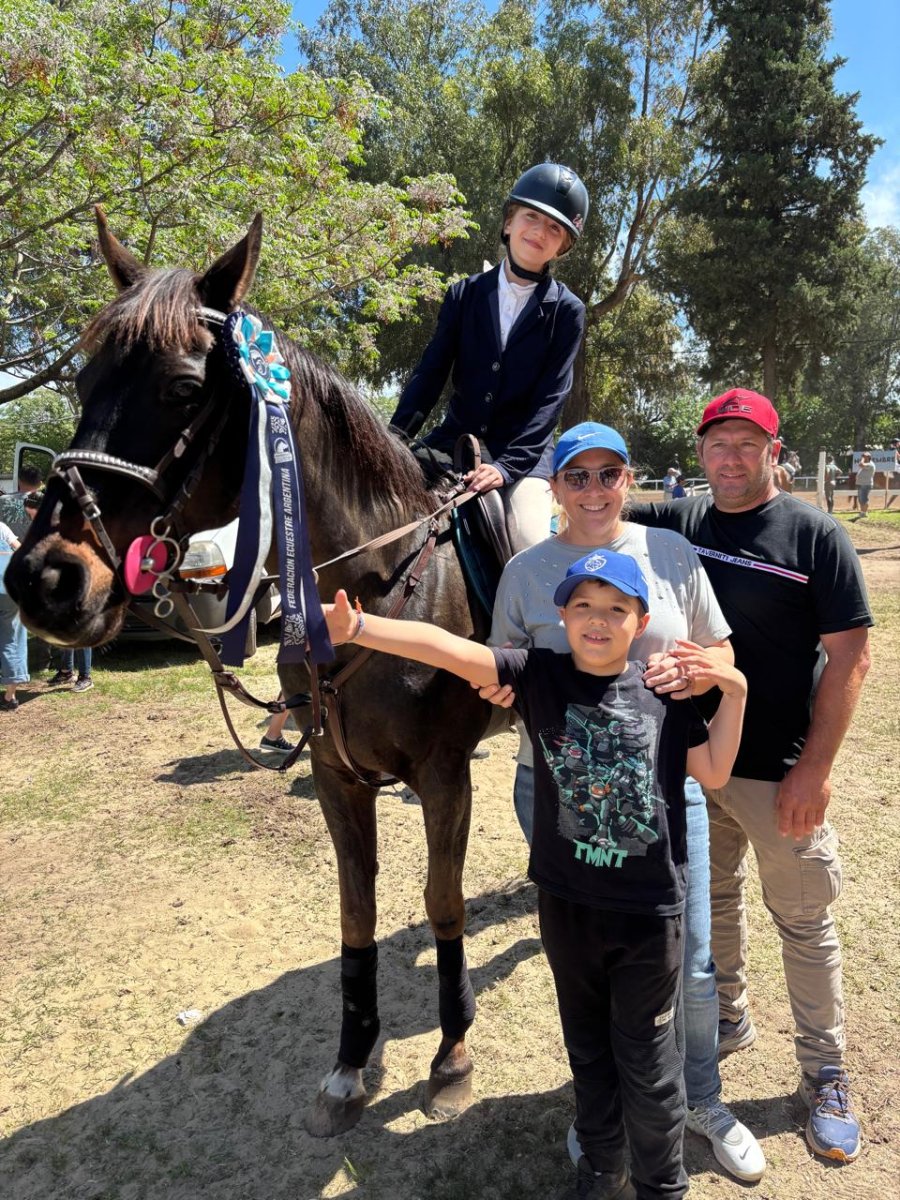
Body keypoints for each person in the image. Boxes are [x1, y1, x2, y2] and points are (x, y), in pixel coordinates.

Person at [321, 551, 748, 1200]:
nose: (597, 621)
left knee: (650, 1066)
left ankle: (663, 1186)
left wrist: (735, 689)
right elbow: (447, 648)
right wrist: (363, 632)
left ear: (641, 620)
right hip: (569, 915)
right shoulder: (537, 674)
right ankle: (599, 1171)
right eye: (582, 606)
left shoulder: (662, 693)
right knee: (588, 1056)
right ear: (561, 616)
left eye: (614, 608)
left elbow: (713, 771)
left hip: (647, 921)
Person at [486, 422, 765, 1182]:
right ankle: (601, 1118)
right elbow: (505, 677)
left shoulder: (669, 552)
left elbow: (721, 650)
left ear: (627, 477)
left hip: (670, 781)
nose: (593, 490)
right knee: (587, 966)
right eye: (575, 477)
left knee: (693, 963)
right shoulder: (525, 571)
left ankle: (698, 1100)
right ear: (555, 487)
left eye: (608, 474)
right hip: (555, 785)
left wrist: (708, 676)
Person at [626, 387, 872, 1164]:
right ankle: (727, 1018)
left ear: (774, 450)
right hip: (699, 768)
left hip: (777, 773)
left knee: (803, 920)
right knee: (714, 904)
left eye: (747, 443)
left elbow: (851, 658)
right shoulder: (678, 523)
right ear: (700, 452)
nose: (730, 458)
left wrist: (814, 771)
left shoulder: (815, 536)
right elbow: (588, 509)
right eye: (717, 443)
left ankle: (825, 1074)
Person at [390, 162, 588, 552]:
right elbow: (429, 374)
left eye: (554, 228)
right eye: (531, 217)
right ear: (509, 222)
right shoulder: (463, 295)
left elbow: (550, 401)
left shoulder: (568, 311)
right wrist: (395, 438)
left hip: (524, 458)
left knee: (529, 541)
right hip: (452, 444)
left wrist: (506, 467)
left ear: (562, 246)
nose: (539, 232)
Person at [1, 518, 29, 711]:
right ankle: (10, 696)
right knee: (13, 638)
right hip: (8, 589)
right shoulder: (1, 527)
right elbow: (20, 550)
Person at [855, 451, 875, 516]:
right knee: (861, 499)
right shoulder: (867, 464)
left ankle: (864, 513)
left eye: (865, 457)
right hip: (862, 484)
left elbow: (861, 464)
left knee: (864, 499)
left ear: (868, 457)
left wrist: (863, 458)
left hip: (866, 484)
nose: (863, 458)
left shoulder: (870, 464)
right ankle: (862, 512)